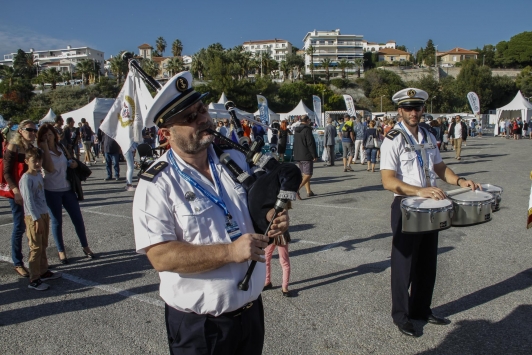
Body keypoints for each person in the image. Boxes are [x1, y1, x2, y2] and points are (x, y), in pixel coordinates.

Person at [132, 71, 289, 355]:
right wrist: (229, 252)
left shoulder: (235, 160)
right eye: (190, 118)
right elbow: (160, 256)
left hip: (251, 315)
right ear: (166, 134)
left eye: (201, 109)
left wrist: (270, 220)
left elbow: (251, 211)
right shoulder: (157, 183)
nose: (203, 118)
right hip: (201, 328)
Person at [380, 87, 481, 337]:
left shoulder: (427, 134)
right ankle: (401, 315)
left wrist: (459, 181)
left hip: (431, 206)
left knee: (427, 262)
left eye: (418, 108)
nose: (414, 112)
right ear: (399, 111)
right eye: (409, 108)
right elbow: (388, 181)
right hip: (407, 206)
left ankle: (421, 309)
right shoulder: (392, 138)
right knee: (404, 264)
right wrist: (419, 191)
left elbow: (439, 167)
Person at [37, 123, 95, 264]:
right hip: (51, 190)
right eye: (45, 135)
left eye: (50, 134)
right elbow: (49, 168)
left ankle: (85, 246)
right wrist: (45, 147)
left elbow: (69, 160)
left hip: (68, 188)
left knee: (78, 219)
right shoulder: (40, 151)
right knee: (57, 221)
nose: (48, 137)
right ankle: (61, 250)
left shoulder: (61, 147)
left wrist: (73, 163)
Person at [19, 147, 62, 290]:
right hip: (33, 217)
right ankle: (34, 278)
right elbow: (28, 201)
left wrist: (44, 214)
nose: (37, 163)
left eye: (39, 160)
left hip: (43, 213)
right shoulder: (26, 179)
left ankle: (43, 271)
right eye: (34, 161)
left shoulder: (38, 175)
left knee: (43, 244)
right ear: (26, 161)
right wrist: (36, 219)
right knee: (35, 247)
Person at [4, 120, 37, 277]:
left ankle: (35, 260)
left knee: (32, 226)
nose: (33, 132)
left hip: (30, 192)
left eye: (34, 130)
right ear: (20, 131)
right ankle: (17, 262)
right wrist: (15, 191)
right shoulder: (13, 147)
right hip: (17, 193)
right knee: (19, 227)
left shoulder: (31, 148)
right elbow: (7, 173)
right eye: (29, 129)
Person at [293, 115, 317, 199]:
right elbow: (310, 143)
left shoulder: (296, 130)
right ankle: (297, 189)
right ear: (307, 120)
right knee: (308, 174)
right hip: (306, 154)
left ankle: (308, 191)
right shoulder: (307, 130)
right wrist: (314, 155)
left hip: (298, 154)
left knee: (304, 174)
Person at [263, 231, 292, 297]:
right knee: (266, 258)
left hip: (281, 234)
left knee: (284, 261)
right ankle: (267, 282)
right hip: (271, 234)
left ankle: (285, 287)